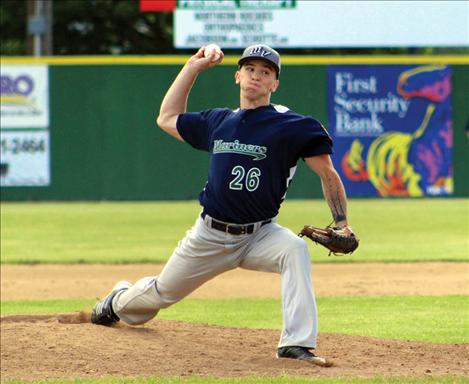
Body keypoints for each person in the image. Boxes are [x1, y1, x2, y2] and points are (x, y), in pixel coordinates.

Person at [91, 44, 355, 367]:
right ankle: (117, 300)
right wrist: (193, 67)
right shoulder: (219, 121)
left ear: (275, 84)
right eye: (250, 69)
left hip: (260, 235)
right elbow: (166, 117)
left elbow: (327, 173)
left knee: (294, 250)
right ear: (238, 76)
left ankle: (295, 345)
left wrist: (341, 222)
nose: (256, 76)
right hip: (209, 235)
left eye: (266, 72)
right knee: (158, 296)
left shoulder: (295, 126)